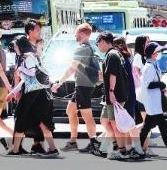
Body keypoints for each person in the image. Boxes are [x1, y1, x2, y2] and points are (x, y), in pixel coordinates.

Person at [6, 35, 59, 158]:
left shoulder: (28, 57)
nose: (14, 47)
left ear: (20, 45)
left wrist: (21, 69)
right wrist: (13, 92)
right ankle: (52, 149)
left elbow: (32, 72)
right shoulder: (29, 56)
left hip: (33, 94)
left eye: (15, 45)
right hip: (38, 92)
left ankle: (15, 150)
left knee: (21, 118)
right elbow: (26, 80)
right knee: (41, 122)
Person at [52, 24, 100, 153]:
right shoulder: (89, 47)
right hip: (82, 86)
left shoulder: (82, 48)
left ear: (83, 34)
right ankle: (73, 141)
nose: (75, 35)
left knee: (87, 115)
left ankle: (93, 142)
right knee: (70, 110)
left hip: (83, 86)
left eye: (77, 33)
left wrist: (59, 83)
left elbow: (72, 68)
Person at [94, 32, 129, 160]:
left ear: (103, 41)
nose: (98, 46)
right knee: (104, 120)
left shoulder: (112, 55)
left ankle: (122, 151)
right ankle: (116, 145)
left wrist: (111, 91)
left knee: (115, 124)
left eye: (97, 44)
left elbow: (113, 75)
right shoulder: (113, 54)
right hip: (114, 94)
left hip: (115, 94)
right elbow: (110, 75)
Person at [139, 42, 167, 153]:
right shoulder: (149, 67)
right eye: (157, 52)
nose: (159, 53)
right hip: (152, 101)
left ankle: (137, 148)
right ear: (153, 53)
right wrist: (161, 85)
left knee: (147, 127)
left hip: (154, 101)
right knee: (162, 126)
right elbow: (148, 84)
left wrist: (161, 85)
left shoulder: (153, 64)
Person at [113, 36, 145, 159]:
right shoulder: (128, 57)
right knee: (128, 123)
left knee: (127, 124)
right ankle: (132, 148)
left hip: (124, 94)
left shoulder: (120, 58)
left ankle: (135, 149)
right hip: (131, 93)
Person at [22, 18, 46, 155]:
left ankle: (37, 144)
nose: (40, 32)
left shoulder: (38, 45)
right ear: (30, 32)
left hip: (38, 86)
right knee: (23, 116)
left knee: (39, 115)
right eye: (37, 30)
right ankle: (16, 145)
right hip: (27, 87)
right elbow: (19, 69)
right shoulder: (23, 45)